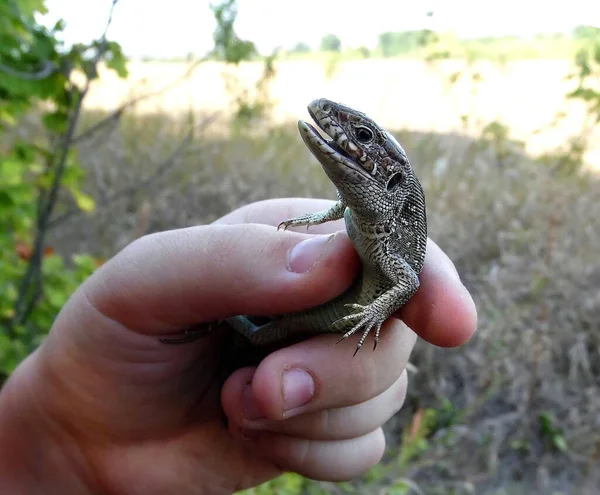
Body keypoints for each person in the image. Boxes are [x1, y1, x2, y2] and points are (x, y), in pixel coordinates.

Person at [0, 198, 477, 494]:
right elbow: (348, 213)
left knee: (265, 339)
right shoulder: (357, 209)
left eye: (361, 136)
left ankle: (230, 326)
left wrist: (59, 448)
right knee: (262, 336)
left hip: (342, 314)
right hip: (313, 316)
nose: (334, 128)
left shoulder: (392, 235)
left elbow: (408, 279)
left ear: (388, 177)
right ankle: (221, 321)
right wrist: (57, 433)